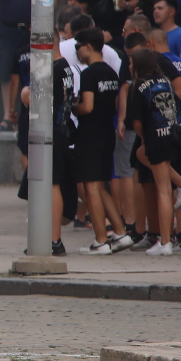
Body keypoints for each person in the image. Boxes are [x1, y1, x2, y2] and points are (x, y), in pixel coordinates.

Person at [126, 46, 181, 255]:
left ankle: (165, 242)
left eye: (131, 62)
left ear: (138, 65)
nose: (129, 65)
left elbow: (137, 123)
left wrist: (144, 138)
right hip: (171, 136)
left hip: (155, 138)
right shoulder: (165, 81)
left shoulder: (137, 86)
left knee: (163, 192)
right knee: (141, 155)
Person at [72, 31, 125, 252]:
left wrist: (72, 106)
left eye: (78, 46)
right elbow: (113, 103)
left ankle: (101, 239)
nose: (77, 51)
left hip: (90, 134)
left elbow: (87, 107)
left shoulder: (89, 74)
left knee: (91, 187)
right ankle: (121, 233)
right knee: (102, 186)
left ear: (88, 47)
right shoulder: (112, 72)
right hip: (106, 132)